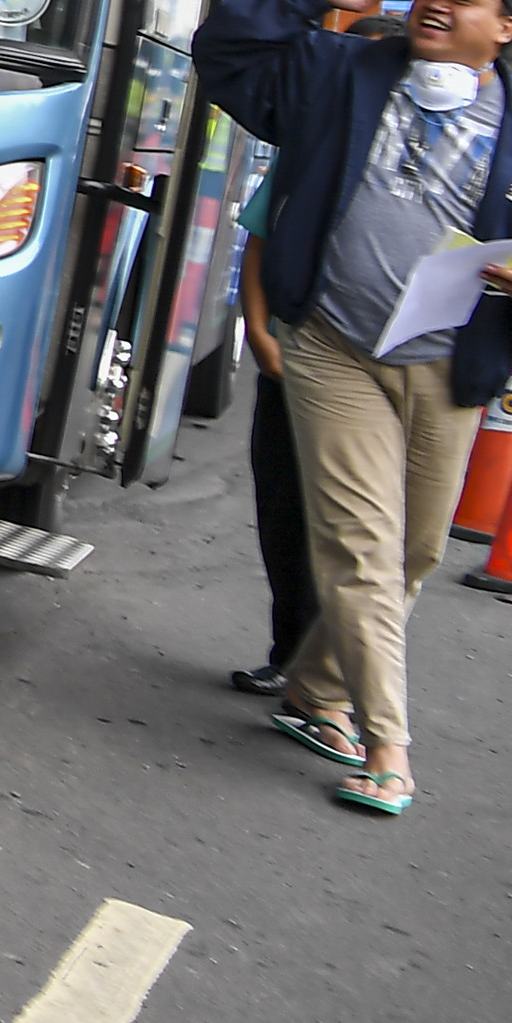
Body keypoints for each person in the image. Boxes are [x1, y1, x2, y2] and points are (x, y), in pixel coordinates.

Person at [193, 0, 512, 816]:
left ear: (504, 28)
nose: (437, 3)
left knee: (416, 550)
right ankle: (387, 745)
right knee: (363, 546)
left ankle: (314, 688)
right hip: (334, 349)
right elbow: (224, 49)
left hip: (449, 365)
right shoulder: (340, 72)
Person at [226, 176, 314, 700]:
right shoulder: (314, 146)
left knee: (358, 533)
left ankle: (331, 676)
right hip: (295, 361)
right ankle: (292, 655)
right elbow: (261, 238)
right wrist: (259, 332)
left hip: (387, 374)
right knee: (284, 514)